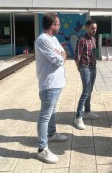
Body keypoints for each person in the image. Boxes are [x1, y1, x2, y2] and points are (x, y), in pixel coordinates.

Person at [35, 13, 68, 164]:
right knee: (45, 116)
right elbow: (57, 60)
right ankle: (42, 149)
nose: (59, 26)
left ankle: (52, 134)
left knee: (53, 110)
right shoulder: (43, 40)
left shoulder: (53, 39)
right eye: (58, 24)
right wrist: (61, 55)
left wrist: (61, 54)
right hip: (49, 84)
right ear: (52, 26)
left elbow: (63, 53)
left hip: (57, 82)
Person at [73, 19, 99, 130]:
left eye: (96, 28)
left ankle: (87, 111)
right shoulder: (81, 40)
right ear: (87, 28)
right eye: (92, 28)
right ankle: (78, 117)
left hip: (93, 67)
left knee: (90, 90)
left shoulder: (93, 39)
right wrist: (80, 68)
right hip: (85, 68)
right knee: (85, 92)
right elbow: (76, 56)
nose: (94, 30)